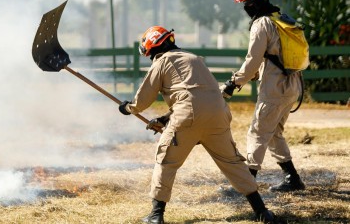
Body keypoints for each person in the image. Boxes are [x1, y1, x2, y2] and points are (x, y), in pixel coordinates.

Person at [118, 26, 276, 224]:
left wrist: (128, 108)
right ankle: (262, 212)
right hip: (219, 114)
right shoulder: (195, 59)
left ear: (152, 49)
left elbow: (144, 99)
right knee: (233, 163)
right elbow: (198, 95)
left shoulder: (162, 61)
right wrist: (167, 118)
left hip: (187, 116)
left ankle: (156, 215)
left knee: (166, 161)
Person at [220, 0, 306, 192]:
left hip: (275, 89)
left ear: (256, 1)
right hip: (293, 86)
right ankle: (292, 178)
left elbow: (253, 60)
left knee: (257, 132)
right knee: (274, 132)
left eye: (247, 2)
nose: (245, 7)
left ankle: (245, 184)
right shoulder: (281, 18)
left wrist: (234, 82)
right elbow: (273, 57)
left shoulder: (261, 23)